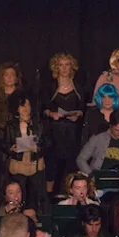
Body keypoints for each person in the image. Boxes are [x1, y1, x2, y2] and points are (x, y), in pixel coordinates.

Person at [41, 52, 85, 193]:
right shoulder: (50, 87)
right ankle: (49, 196)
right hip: (54, 132)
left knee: (70, 164)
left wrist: (78, 114)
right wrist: (51, 114)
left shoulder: (78, 86)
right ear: (56, 67)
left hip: (72, 131)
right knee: (53, 165)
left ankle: (69, 193)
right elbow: (42, 109)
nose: (64, 68)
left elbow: (83, 108)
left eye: (67, 65)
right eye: (61, 65)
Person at [3, 89, 49, 213]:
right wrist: (11, 148)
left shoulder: (39, 124)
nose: (25, 108)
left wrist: (38, 148)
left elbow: (48, 143)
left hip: (35, 165)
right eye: (22, 105)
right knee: (19, 196)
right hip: (18, 165)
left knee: (37, 197)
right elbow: (4, 144)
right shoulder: (10, 125)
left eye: (28, 105)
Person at [77, 108, 119, 175]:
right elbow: (81, 159)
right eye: (117, 130)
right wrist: (91, 175)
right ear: (110, 126)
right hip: (98, 176)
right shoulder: (98, 137)